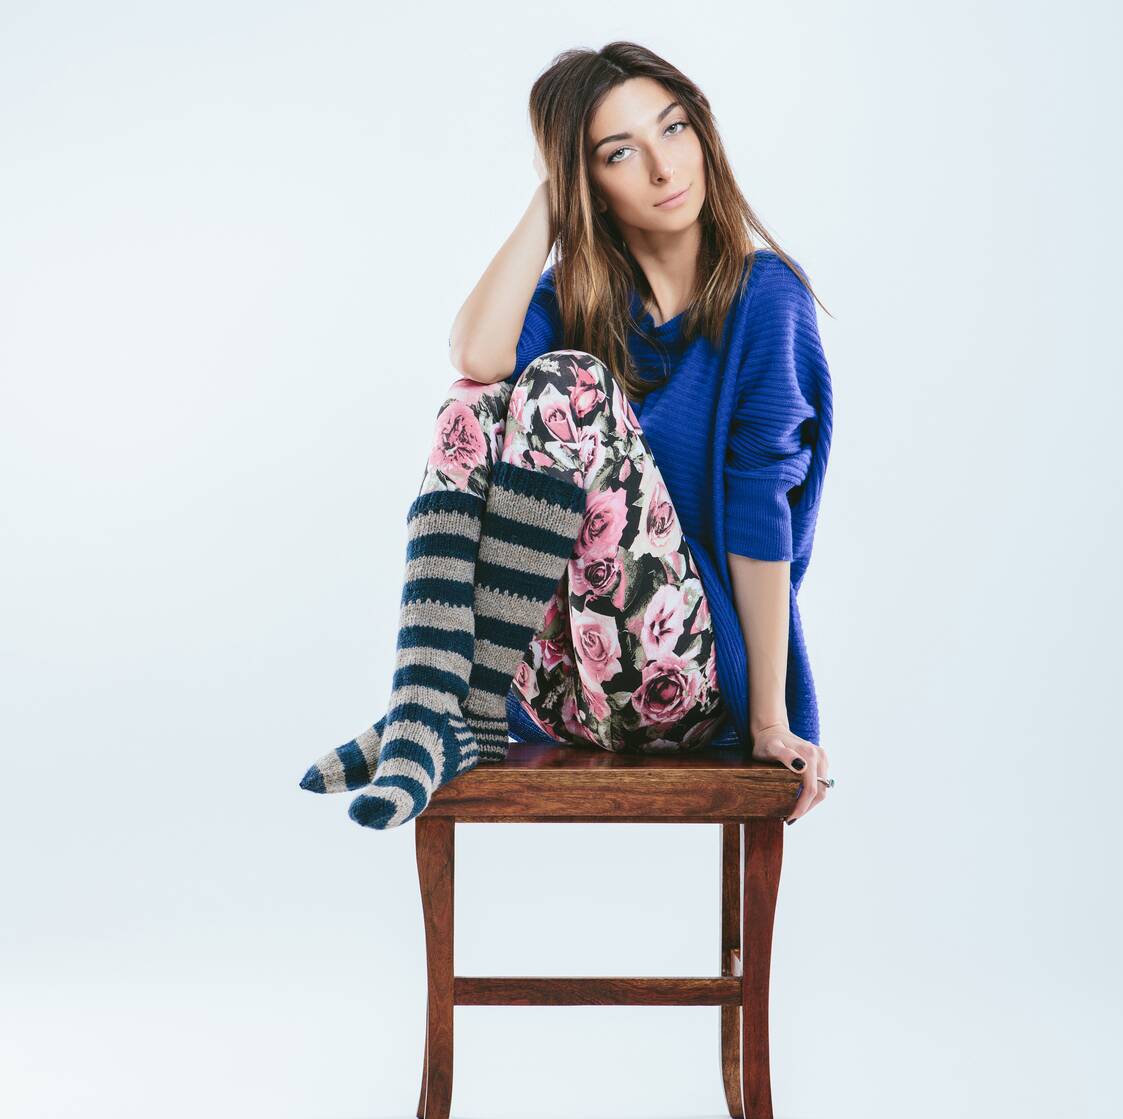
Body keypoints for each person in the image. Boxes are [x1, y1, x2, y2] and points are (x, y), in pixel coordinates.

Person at [299, 41, 835, 830]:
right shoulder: (576, 298)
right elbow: (476, 356)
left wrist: (769, 721)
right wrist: (551, 201)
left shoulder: (765, 296)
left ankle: (443, 709)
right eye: (621, 153)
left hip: (682, 681)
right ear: (590, 184)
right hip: (559, 687)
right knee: (475, 405)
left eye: (674, 129)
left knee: (565, 381)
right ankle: (432, 705)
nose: (663, 168)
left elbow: (763, 512)